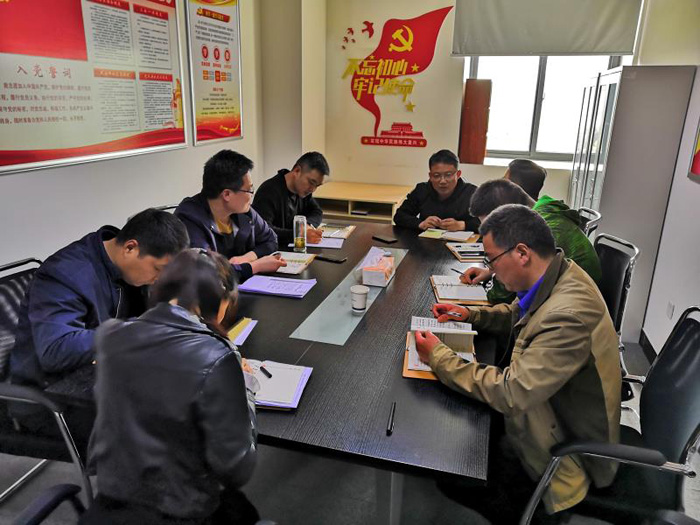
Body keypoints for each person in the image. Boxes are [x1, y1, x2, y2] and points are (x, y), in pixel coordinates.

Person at [415, 205, 621, 522]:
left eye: (492, 260)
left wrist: (438, 356)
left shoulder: (567, 315)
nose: (490, 271)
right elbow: (518, 313)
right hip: (550, 409)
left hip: (563, 450)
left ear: (522, 253)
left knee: (452, 468)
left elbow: (513, 392)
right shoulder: (559, 273)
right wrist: (471, 315)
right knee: (461, 433)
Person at [83, 249, 259, 525]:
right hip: (181, 513)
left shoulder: (110, 335)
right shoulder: (218, 356)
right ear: (219, 298)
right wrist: (245, 383)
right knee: (241, 509)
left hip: (111, 508)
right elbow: (237, 470)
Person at [9, 209, 189, 451]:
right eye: (159, 269)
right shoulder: (64, 274)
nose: (159, 278)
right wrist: (138, 329)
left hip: (101, 378)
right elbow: (55, 350)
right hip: (50, 399)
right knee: (167, 425)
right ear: (130, 248)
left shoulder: (128, 268)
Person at [462, 179, 602, 304]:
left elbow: (501, 296)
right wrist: (491, 271)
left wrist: (494, 282)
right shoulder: (545, 213)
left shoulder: (542, 230)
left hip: (572, 305)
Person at [175, 150, 286, 282]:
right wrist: (255, 266)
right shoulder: (189, 218)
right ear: (227, 194)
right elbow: (206, 271)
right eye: (249, 190)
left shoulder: (244, 212)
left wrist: (247, 257)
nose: (251, 195)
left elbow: (271, 239)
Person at [253, 151, 329, 248]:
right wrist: (299, 234)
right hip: (272, 251)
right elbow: (262, 231)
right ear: (297, 171)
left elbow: (317, 211)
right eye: (311, 182)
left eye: (317, 185)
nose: (312, 189)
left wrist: (306, 225)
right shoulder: (268, 191)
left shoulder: (302, 191)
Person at [393, 149, 480, 232]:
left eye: (448, 175)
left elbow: (486, 221)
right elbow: (400, 216)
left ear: (458, 174)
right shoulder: (422, 190)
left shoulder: (473, 193)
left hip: (459, 241)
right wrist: (421, 224)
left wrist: (462, 225)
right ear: (430, 176)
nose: (442, 181)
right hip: (426, 241)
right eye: (436, 175)